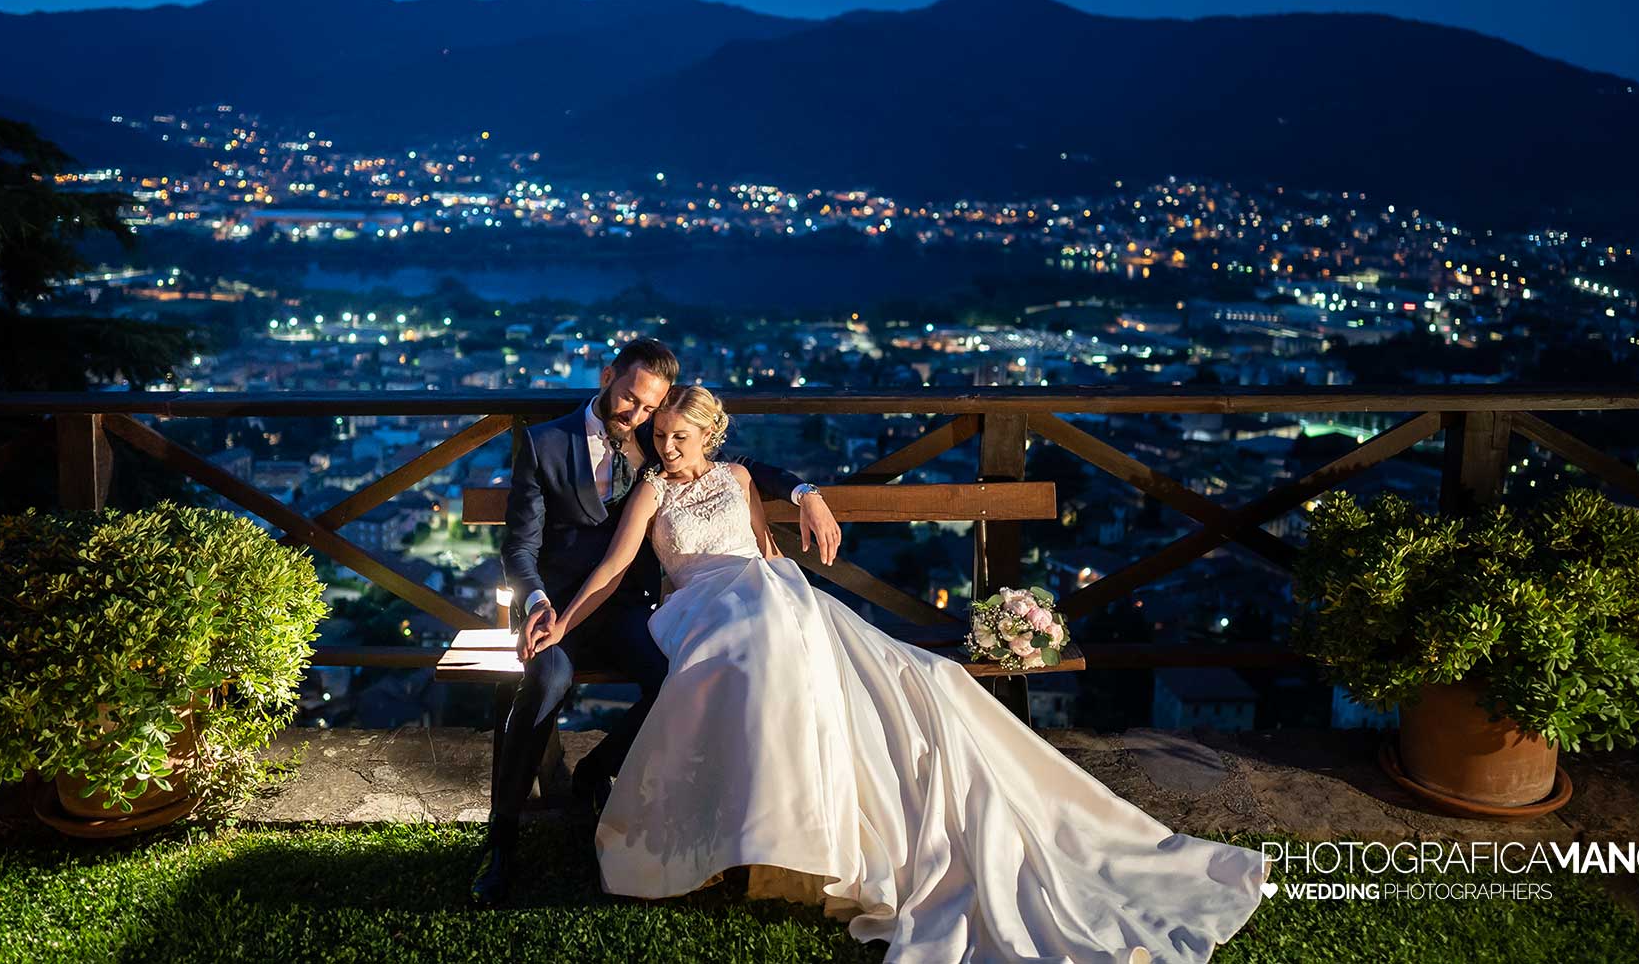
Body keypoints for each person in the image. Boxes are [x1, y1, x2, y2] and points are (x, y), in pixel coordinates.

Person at [532, 385, 1270, 964]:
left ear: (711, 435)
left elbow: (764, 550)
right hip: (697, 607)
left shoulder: (738, 475)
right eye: (661, 438)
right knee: (754, 640)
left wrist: (800, 524)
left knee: (891, 667)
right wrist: (562, 620)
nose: (667, 449)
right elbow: (616, 566)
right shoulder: (654, 492)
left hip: (766, 595)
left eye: (680, 438)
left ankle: (804, 837)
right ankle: (754, 839)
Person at [469, 339, 841, 906]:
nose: (639, 419)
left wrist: (804, 490)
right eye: (631, 402)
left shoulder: (657, 437)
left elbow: (735, 469)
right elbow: (518, 548)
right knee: (544, 683)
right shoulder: (545, 443)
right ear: (607, 376)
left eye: (651, 410)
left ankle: (598, 772)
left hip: (630, 612)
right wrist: (541, 601)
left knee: (682, 678)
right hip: (561, 609)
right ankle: (502, 842)